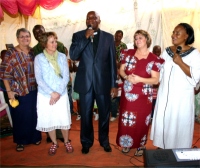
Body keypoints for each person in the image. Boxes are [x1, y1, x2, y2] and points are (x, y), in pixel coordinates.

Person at [69, 11, 118, 154]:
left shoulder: (108, 37)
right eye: (88, 18)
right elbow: (73, 55)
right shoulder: (78, 36)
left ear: (99, 20)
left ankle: (104, 141)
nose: (90, 20)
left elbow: (112, 62)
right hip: (85, 83)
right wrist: (85, 38)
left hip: (103, 83)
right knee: (85, 115)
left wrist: (114, 84)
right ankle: (86, 142)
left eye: (93, 18)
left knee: (104, 114)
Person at [150, 23, 200, 149]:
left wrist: (180, 62)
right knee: (163, 121)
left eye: (178, 33)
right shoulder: (166, 51)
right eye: (173, 32)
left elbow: (195, 77)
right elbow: (159, 71)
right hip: (164, 95)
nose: (173, 35)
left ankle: (178, 151)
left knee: (178, 125)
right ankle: (162, 148)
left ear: (186, 36)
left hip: (181, 99)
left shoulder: (194, 54)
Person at [116, 30, 164, 156]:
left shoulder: (154, 59)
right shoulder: (128, 54)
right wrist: (126, 77)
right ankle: (126, 143)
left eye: (140, 38)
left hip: (144, 97)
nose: (137, 40)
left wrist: (139, 79)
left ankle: (140, 145)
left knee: (142, 121)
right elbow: (121, 70)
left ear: (147, 40)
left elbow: (155, 80)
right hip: (128, 95)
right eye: (136, 38)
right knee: (127, 120)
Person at [0, 28, 42, 152]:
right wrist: (9, 92)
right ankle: (20, 141)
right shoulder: (11, 53)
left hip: (33, 89)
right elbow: (4, 74)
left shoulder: (33, 52)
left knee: (33, 114)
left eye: (27, 36)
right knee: (19, 116)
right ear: (17, 38)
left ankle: (35, 137)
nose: (25, 39)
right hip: (17, 90)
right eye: (22, 36)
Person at [34, 32, 73, 156]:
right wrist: (52, 93)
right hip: (46, 95)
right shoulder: (39, 58)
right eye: (52, 42)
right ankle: (54, 142)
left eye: (55, 41)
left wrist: (58, 93)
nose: (55, 44)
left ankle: (66, 141)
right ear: (45, 44)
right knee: (49, 120)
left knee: (63, 119)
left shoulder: (61, 57)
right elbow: (39, 79)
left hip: (61, 94)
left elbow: (66, 77)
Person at [151, 45, 161, 119]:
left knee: (156, 103)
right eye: (156, 52)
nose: (157, 53)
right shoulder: (150, 60)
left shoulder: (162, 61)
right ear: (153, 52)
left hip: (158, 86)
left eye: (159, 52)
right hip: (151, 85)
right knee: (150, 103)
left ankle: (153, 117)